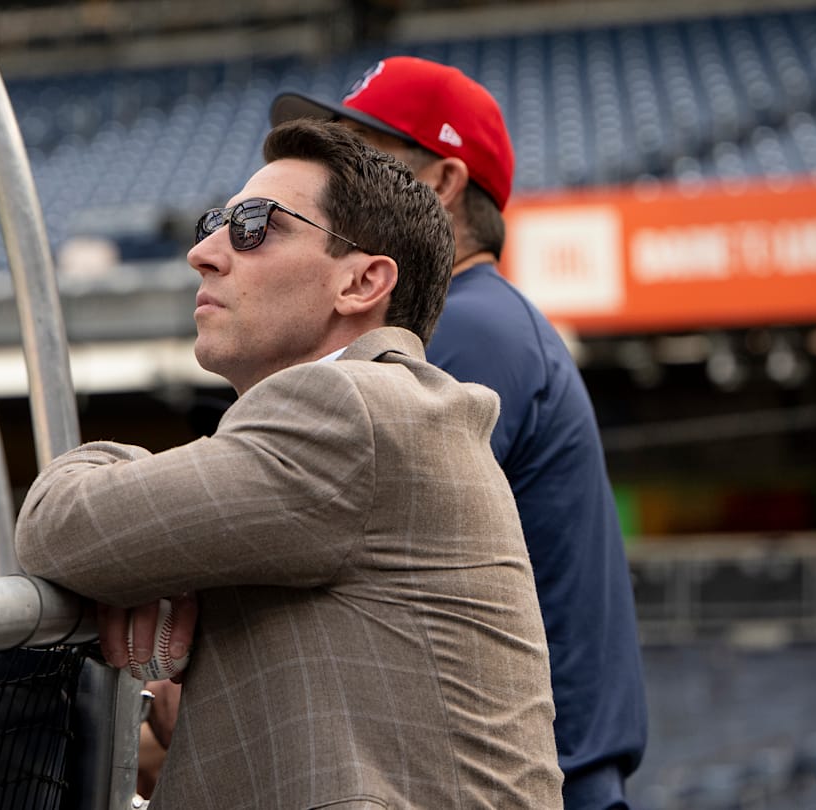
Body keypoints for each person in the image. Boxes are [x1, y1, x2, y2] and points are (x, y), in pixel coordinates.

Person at [16, 119, 563, 809]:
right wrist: (163, 565)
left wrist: (118, 486)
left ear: (361, 282)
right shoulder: (377, 411)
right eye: (215, 224)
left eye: (255, 226)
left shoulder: (347, 407)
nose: (204, 253)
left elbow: (59, 527)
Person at [271, 57, 648, 810]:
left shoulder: (469, 325)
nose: (335, 181)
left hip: (535, 780)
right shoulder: (480, 317)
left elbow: (326, 522)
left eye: (362, 154)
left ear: (442, 181)